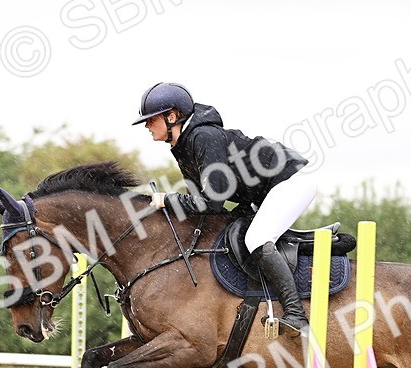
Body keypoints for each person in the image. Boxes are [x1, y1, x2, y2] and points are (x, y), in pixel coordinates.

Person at [133, 82, 315, 338]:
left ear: (171, 116)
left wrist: (167, 199)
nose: (146, 126)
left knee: (256, 238)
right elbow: (200, 202)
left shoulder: (203, 137)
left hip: (290, 180)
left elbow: (211, 203)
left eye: (151, 120)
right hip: (261, 193)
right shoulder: (182, 145)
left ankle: (297, 315)